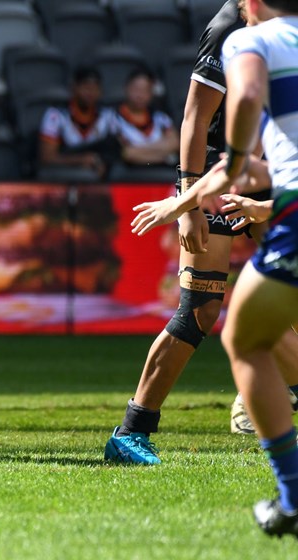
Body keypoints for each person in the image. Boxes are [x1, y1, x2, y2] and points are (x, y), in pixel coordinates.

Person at [103, 0, 298, 466]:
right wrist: (187, 203)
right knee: (200, 310)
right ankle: (131, 432)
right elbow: (195, 116)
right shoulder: (230, 27)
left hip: (266, 171)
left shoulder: (276, 30)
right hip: (219, 176)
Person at [193, 0, 298, 536]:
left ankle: (294, 498)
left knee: (245, 336)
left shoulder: (247, 39)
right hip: (281, 201)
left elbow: (249, 94)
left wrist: (229, 168)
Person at [38, 65, 119, 180]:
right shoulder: (56, 115)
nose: (90, 93)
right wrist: (80, 160)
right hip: (64, 172)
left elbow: (118, 149)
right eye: (86, 88)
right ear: (74, 88)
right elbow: (47, 157)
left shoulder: (108, 116)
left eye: (95, 88)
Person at [114, 67, 179, 167]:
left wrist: (138, 150)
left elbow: (174, 144)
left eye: (145, 90)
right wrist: (164, 156)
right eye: (136, 89)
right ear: (126, 88)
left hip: (160, 175)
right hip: (127, 174)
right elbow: (127, 154)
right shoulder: (112, 118)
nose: (140, 95)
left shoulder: (161, 118)